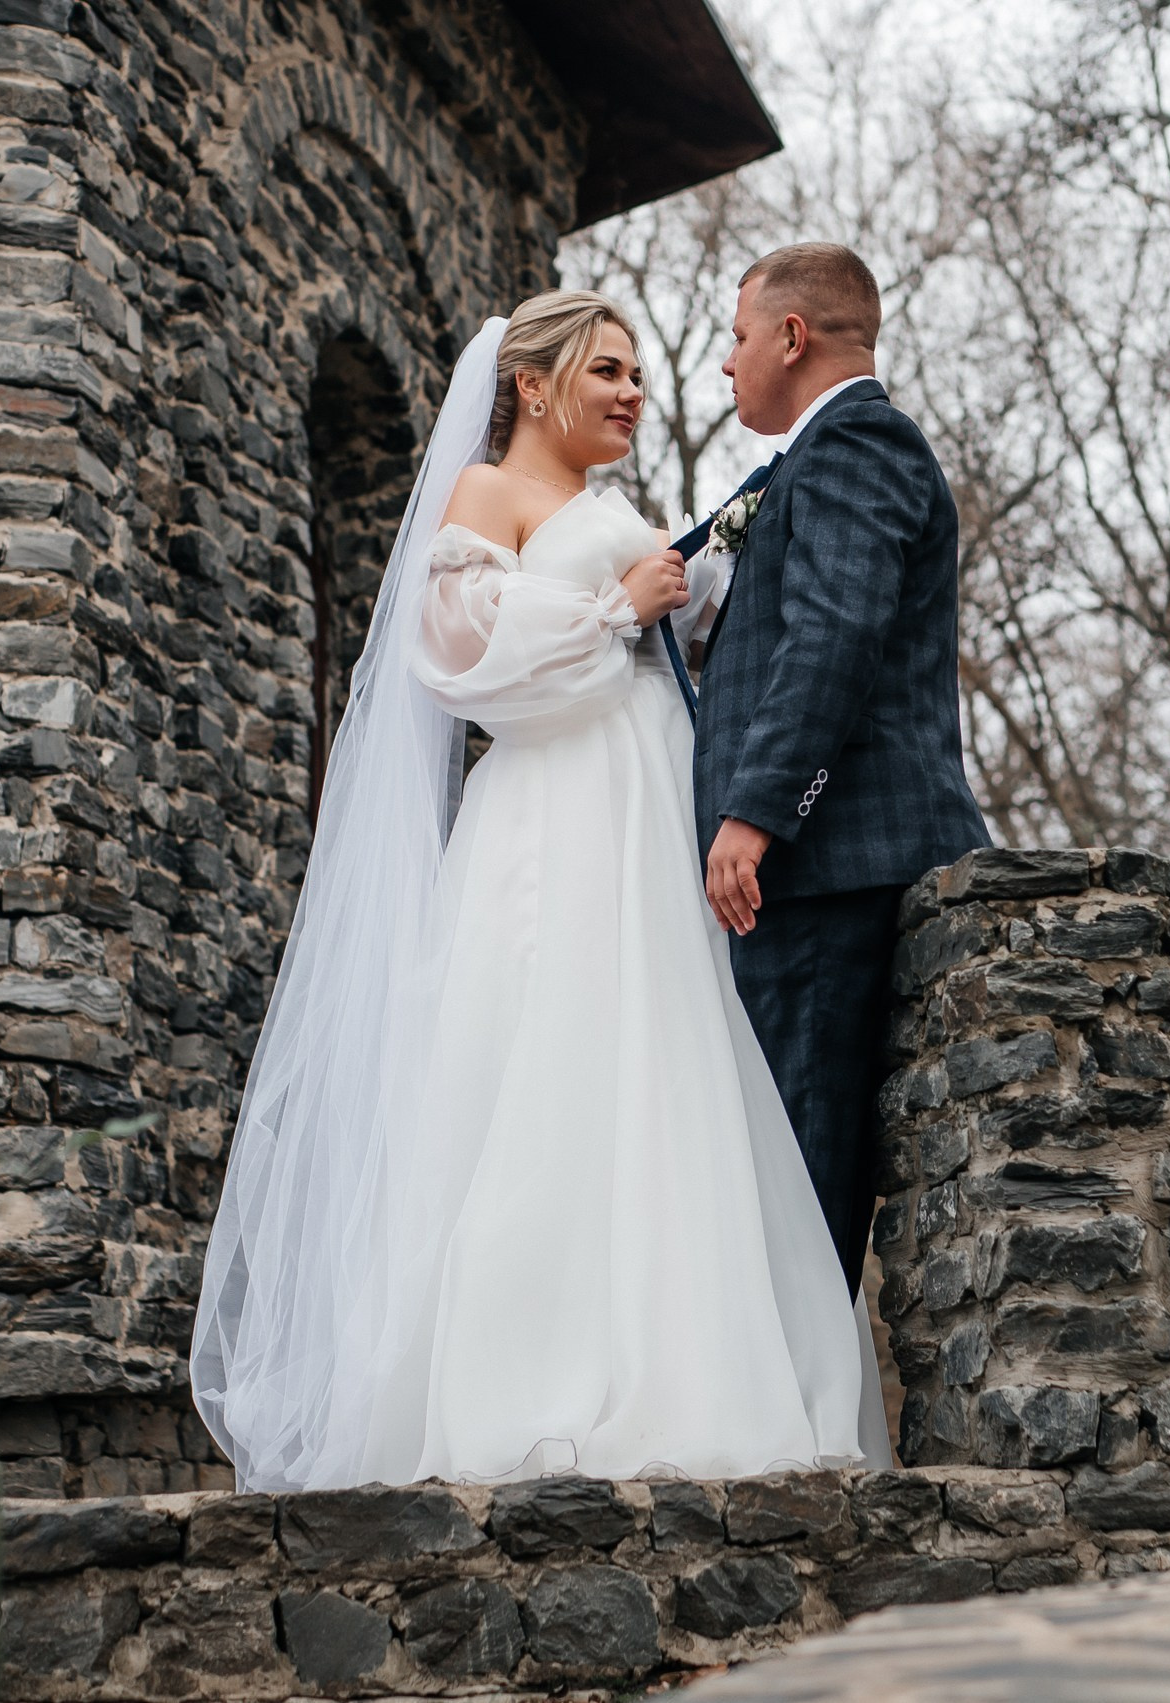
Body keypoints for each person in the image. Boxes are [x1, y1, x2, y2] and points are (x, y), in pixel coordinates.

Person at [191, 293, 886, 1492]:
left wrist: (708, 582)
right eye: (607, 370)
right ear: (532, 382)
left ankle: (684, 1364)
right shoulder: (485, 500)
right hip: (553, 816)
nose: (630, 392)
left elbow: (670, 636)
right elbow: (468, 663)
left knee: (664, 1065)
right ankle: (525, 1382)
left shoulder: (611, 505)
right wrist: (625, 605)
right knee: (549, 1059)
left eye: (637, 375)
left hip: (643, 802)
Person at [694, 245, 992, 1290]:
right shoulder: (810, 460)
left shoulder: (857, 444)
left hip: (828, 866)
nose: (725, 364)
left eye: (735, 337)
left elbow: (834, 637)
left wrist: (757, 812)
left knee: (800, 1158)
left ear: (791, 335)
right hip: (816, 870)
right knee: (782, 1153)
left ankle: (803, 1435)